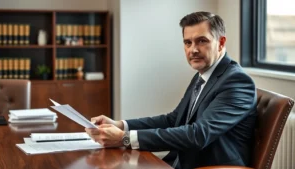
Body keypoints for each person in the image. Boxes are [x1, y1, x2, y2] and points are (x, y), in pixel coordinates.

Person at [85, 11, 257, 169]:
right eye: (187, 43)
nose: (193, 50)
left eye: (202, 41)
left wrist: (125, 137)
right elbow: (174, 120)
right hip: (183, 161)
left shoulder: (236, 81)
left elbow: (199, 134)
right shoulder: (203, 75)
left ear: (220, 43)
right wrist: (120, 125)